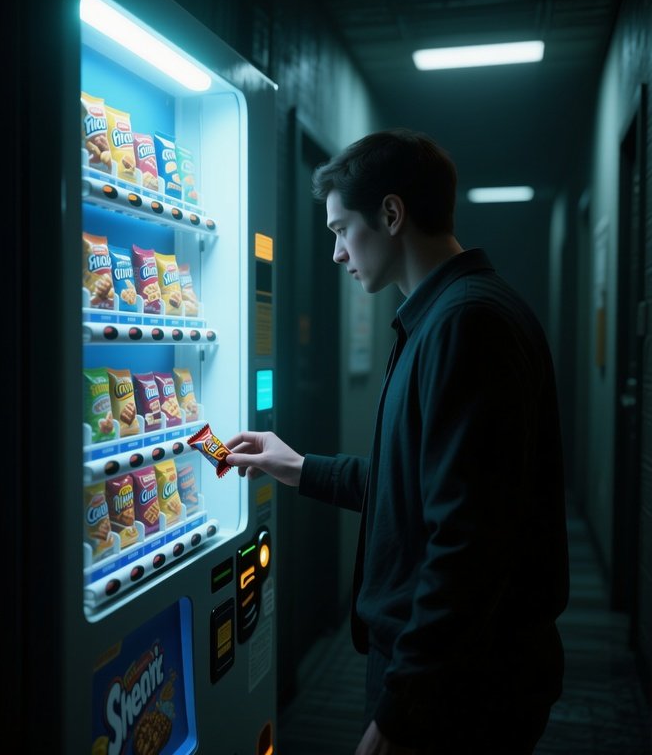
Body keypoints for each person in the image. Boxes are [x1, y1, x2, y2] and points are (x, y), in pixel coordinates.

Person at [225, 129, 570, 755]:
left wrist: (401, 707)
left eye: (339, 229)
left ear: (390, 214)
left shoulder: (467, 324)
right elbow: (415, 484)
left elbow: (466, 544)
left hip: (459, 690)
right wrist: (298, 466)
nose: (335, 252)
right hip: (452, 672)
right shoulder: (446, 316)